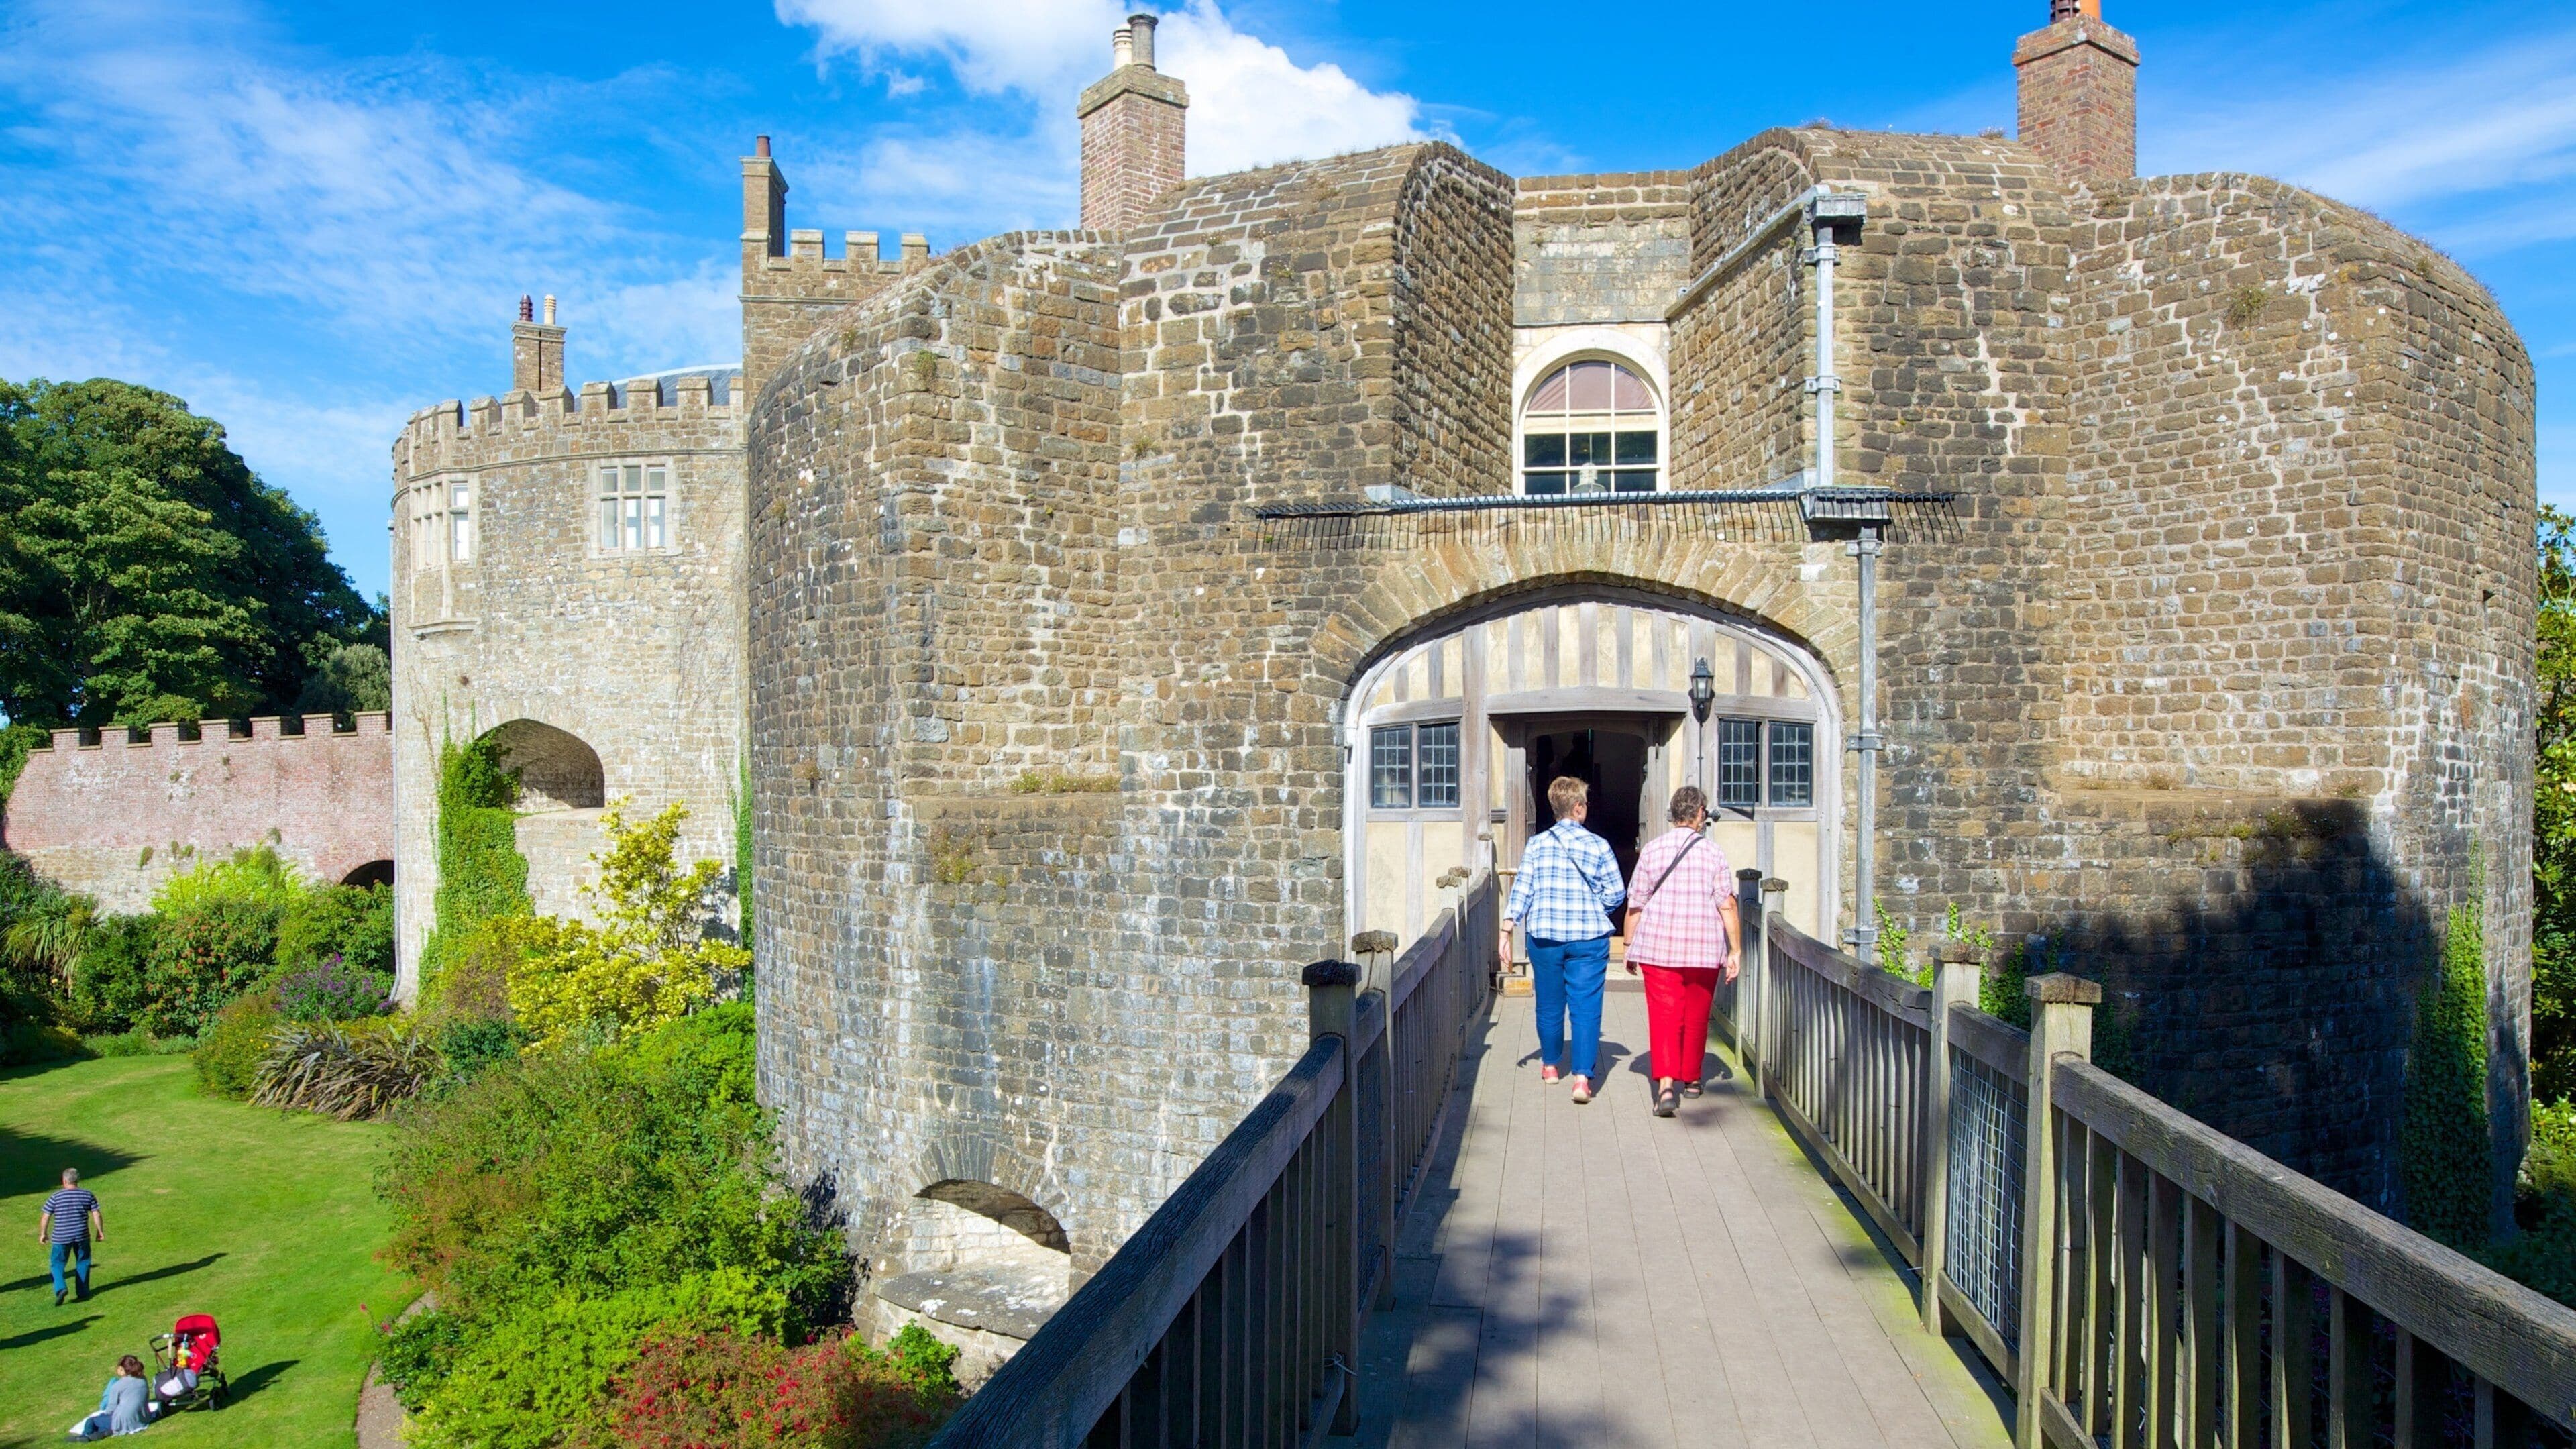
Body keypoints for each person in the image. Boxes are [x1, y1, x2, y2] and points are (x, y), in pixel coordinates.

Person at [1501, 775, 1627, 1104]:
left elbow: (1524, 889)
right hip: (1589, 938)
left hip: (1546, 936)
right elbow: (1617, 892)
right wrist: (1595, 907)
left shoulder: (1537, 844)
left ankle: (1550, 1066)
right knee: (1586, 1008)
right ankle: (1582, 1079)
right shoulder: (1599, 845)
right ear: (1579, 808)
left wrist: (1506, 929)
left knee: (1549, 1004)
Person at [1625, 786, 1743, 1116]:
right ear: (1700, 813)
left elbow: (1637, 902)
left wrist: (1629, 946)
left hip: (1659, 947)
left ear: (1674, 813)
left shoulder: (1652, 849)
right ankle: (1691, 1079)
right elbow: (1727, 904)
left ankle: (1665, 1087)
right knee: (1697, 1014)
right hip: (1703, 948)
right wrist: (1735, 950)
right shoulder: (1713, 853)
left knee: (1664, 1017)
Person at [38, 1167, 103, 1307]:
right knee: (83, 1261)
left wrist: (43, 1233)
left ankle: (61, 1288)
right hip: (82, 1235)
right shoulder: (87, 1195)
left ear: (64, 1180)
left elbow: (45, 1216)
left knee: (57, 1264)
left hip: (61, 1237)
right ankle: (83, 1292)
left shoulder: (56, 1197)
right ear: (77, 1180)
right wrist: (100, 1231)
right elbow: (96, 1213)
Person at [68, 1354, 148, 1439]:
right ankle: (105, 1432)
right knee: (103, 1423)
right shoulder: (143, 1379)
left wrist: (103, 1414)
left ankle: (85, 1436)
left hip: (123, 1421)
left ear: (121, 1369)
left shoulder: (118, 1385)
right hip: (142, 1419)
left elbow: (111, 1410)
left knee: (91, 1421)